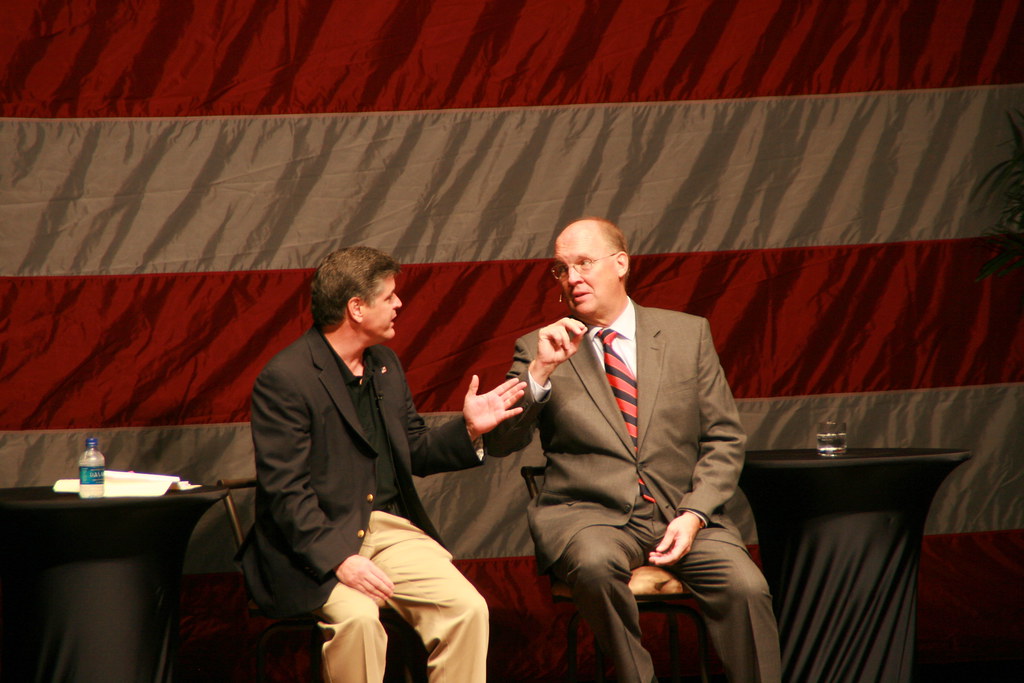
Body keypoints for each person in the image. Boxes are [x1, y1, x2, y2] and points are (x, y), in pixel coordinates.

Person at [486, 218, 781, 683]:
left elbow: (724, 439)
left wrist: (695, 513)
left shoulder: (688, 335)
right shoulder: (539, 347)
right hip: (590, 516)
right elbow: (501, 442)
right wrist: (540, 372)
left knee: (746, 586)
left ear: (621, 263)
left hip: (682, 514)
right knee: (595, 567)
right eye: (561, 269)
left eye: (583, 263)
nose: (572, 278)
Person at [240, 246, 526, 683]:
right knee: (357, 621)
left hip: (390, 532)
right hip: (316, 543)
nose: (398, 304)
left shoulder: (384, 364)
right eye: (389, 296)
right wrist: (340, 559)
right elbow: (287, 492)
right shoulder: (287, 378)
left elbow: (413, 448)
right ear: (356, 307)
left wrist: (470, 429)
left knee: (466, 609)